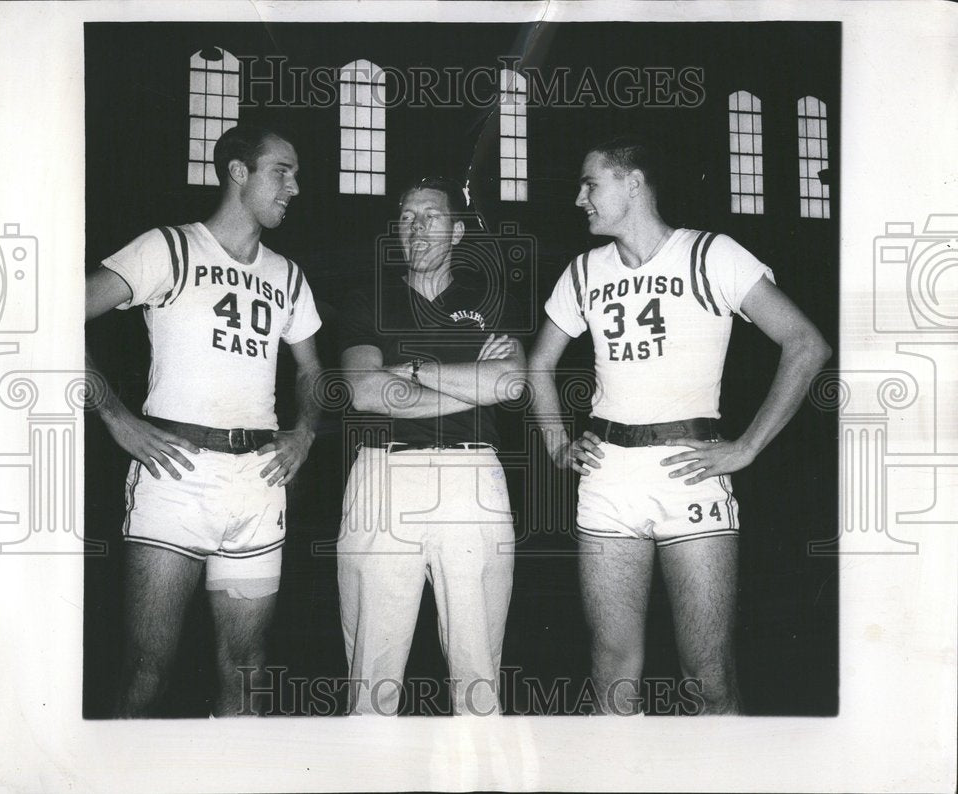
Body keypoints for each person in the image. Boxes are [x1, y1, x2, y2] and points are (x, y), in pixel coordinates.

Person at [528, 137, 831, 715]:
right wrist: (556, 443)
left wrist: (745, 447)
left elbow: (806, 344)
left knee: (707, 675)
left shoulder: (710, 254)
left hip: (689, 472)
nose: (579, 199)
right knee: (612, 674)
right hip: (608, 477)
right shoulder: (584, 271)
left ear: (632, 183)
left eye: (590, 184)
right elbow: (538, 363)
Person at [85, 124, 323, 717]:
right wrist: (115, 416)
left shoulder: (288, 276)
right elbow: (52, 313)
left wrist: (306, 430)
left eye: (295, 174)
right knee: (147, 667)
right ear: (238, 172)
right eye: (282, 171)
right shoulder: (169, 248)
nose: (294, 186)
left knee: (247, 665)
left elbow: (312, 372)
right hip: (177, 475)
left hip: (259, 482)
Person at [337, 176, 524, 715]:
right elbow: (366, 392)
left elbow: (511, 384)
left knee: (478, 667)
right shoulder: (366, 297)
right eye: (406, 216)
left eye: (430, 216)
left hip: (473, 482)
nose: (415, 226)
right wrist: (471, 384)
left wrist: (415, 369)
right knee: (371, 671)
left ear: (458, 231)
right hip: (382, 478)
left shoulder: (489, 300)